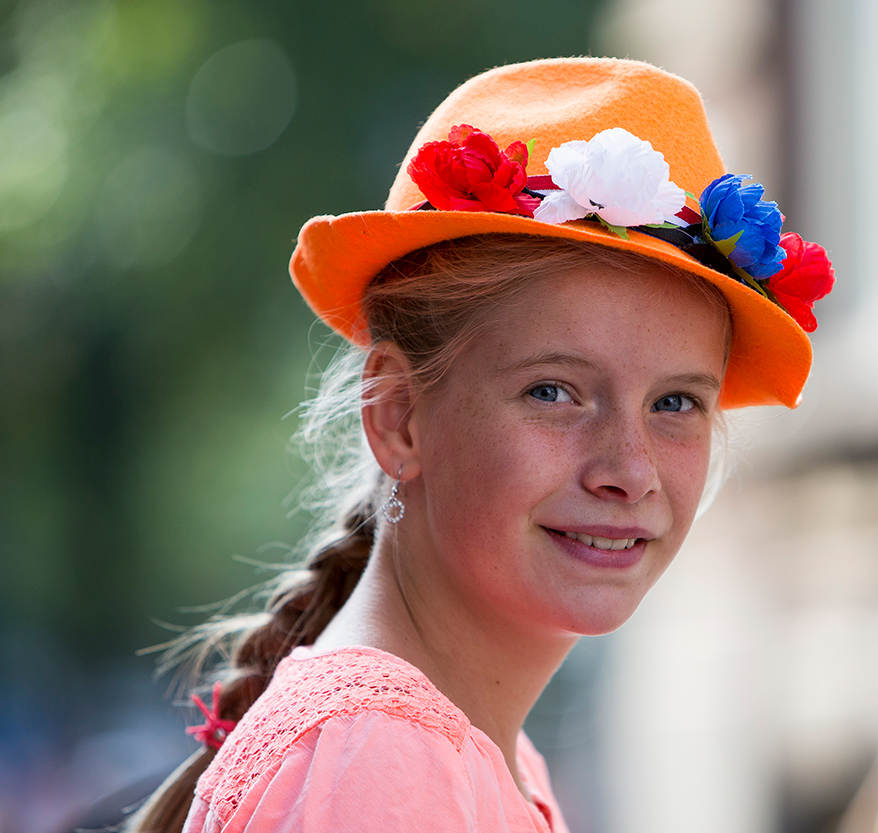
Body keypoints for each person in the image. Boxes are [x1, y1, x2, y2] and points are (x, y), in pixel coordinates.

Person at [124, 56, 834, 833]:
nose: (630, 470)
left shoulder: (462, 752)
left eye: (675, 403)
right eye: (553, 391)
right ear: (399, 416)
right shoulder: (386, 759)